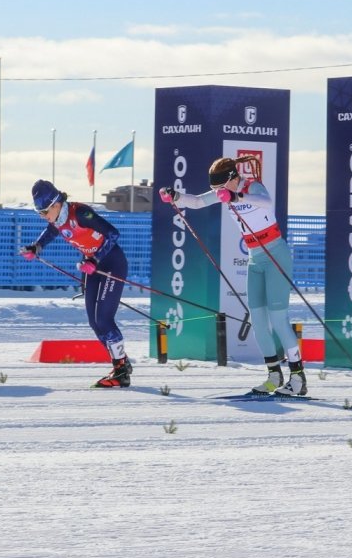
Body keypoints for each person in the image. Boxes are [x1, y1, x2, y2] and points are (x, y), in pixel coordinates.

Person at [160, 155, 308, 397]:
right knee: (258, 320)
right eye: (215, 188)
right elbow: (197, 202)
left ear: (232, 178)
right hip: (255, 258)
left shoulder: (251, 187)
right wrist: (175, 196)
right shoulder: (223, 193)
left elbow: (266, 202)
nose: (217, 192)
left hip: (275, 255)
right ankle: (273, 375)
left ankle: (298, 377)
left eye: (219, 187)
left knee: (278, 318)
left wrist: (237, 197)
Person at [21, 180, 132, 388]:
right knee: (94, 322)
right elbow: (53, 230)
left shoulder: (80, 213)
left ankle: (121, 371)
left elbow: (113, 233)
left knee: (104, 320)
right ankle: (121, 362)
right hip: (93, 266)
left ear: (56, 204)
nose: (44, 216)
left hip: (111, 264)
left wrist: (94, 259)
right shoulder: (57, 219)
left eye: (44, 211)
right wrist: (37, 247)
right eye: (39, 213)